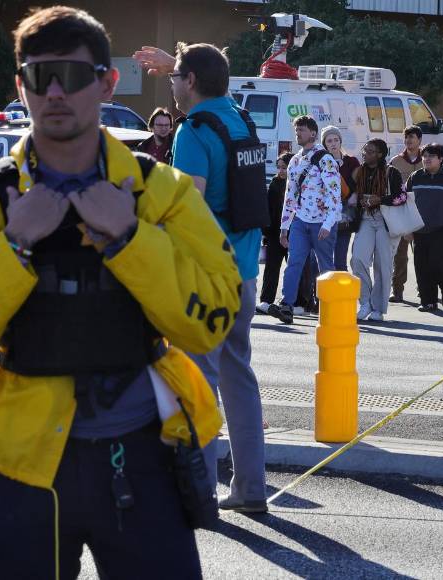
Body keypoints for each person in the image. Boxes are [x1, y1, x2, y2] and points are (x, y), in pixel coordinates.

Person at [0, 7, 242, 578]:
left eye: (74, 75)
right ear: (21, 87)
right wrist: (14, 244)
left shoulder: (157, 193)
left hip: (143, 456)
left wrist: (129, 238)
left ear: (107, 82)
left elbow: (210, 322)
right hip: (21, 467)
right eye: (41, 78)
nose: (57, 93)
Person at [139, 41, 269, 514]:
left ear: (190, 82)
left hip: (205, 278)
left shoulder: (192, 130)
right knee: (240, 379)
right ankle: (251, 489)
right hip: (246, 274)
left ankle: (197, 492)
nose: (171, 84)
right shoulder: (238, 118)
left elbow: (188, 207)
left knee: (196, 384)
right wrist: (175, 60)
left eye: (175, 77)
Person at [268, 115, 341, 325]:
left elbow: (335, 195)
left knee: (326, 267)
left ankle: (330, 309)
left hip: (321, 222)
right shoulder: (295, 160)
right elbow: (290, 195)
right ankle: (286, 306)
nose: (298, 133)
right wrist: (284, 227)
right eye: (296, 129)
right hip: (300, 220)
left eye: (302, 130)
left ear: (313, 133)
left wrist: (328, 223)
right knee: (294, 263)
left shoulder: (325, 159)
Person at [350, 138, 406, 321]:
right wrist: (357, 200)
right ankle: (365, 302)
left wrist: (380, 200)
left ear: (380, 154)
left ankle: (378, 308)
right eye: (365, 150)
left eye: (370, 151)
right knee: (358, 259)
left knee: (383, 264)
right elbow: (350, 195)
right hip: (365, 218)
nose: (365, 153)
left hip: (385, 220)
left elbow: (402, 197)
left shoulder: (391, 172)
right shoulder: (358, 172)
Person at [408, 143, 443, 312]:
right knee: (421, 266)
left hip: (441, 229)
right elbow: (407, 204)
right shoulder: (415, 177)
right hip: (418, 229)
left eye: (431, 156)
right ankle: (428, 301)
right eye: (424, 156)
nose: (426, 159)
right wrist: (408, 229)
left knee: (437, 263)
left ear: (440, 159)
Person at [389, 125, 423, 301]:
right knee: (400, 255)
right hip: (401, 213)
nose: (409, 140)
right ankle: (397, 290)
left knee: (422, 254)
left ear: (419, 140)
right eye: (407, 137)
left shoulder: (427, 158)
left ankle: (424, 288)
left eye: (413, 137)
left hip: (422, 213)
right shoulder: (395, 161)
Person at [257, 152, 293, 313]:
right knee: (272, 266)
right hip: (274, 232)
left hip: (293, 232)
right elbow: (268, 209)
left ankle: (297, 302)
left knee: (293, 267)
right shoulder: (275, 183)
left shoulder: (296, 184)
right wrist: (266, 231)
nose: (280, 171)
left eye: (284, 167)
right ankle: (266, 300)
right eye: (278, 167)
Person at [321, 125, 360, 272]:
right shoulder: (321, 162)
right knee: (323, 261)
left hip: (345, 214)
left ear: (340, 141)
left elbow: (360, 183)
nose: (333, 143)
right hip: (325, 213)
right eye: (329, 141)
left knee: (340, 261)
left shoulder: (352, 162)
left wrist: (355, 194)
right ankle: (321, 294)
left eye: (336, 140)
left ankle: (341, 294)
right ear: (324, 144)